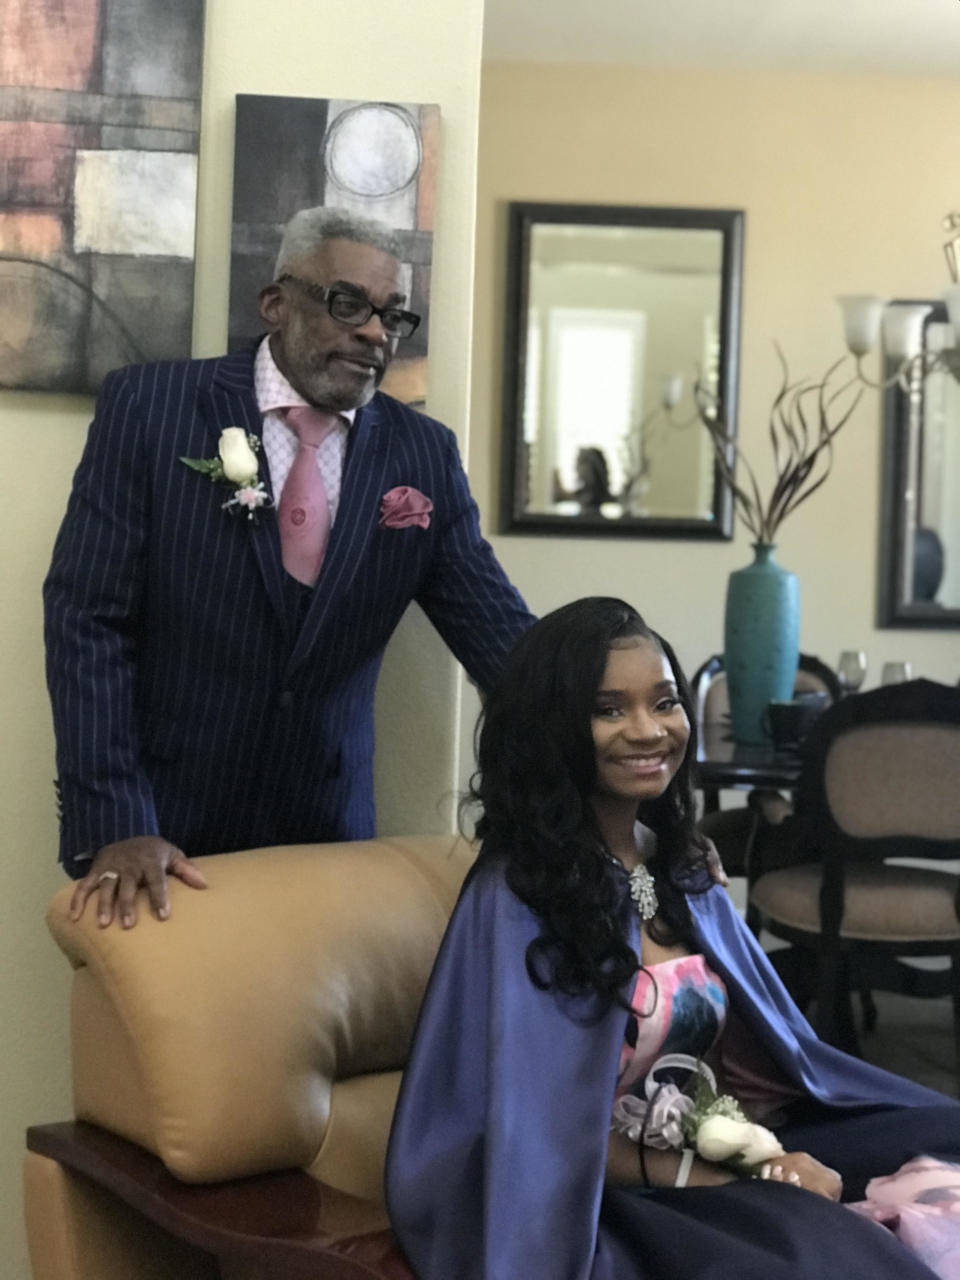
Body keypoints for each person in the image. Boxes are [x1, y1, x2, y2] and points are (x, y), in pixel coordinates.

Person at [386, 597, 960, 1279]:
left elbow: (770, 1051)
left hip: (720, 1137)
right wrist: (755, 1175)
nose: (648, 730)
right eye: (608, 710)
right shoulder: (517, 897)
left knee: (944, 1129)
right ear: (552, 727)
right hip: (599, 1195)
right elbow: (545, 1139)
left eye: (665, 702)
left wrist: (768, 1149)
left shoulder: (680, 867)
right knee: (822, 1250)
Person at [44, 206, 533, 930]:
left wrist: (631, 781)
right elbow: (88, 619)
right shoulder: (150, 407)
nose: (374, 332)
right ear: (276, 303)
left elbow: (509, 647)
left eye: (393, 317)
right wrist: (116, 820)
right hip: (159, 845)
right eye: (347, 303)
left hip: (328, 845)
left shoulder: (423, 455)